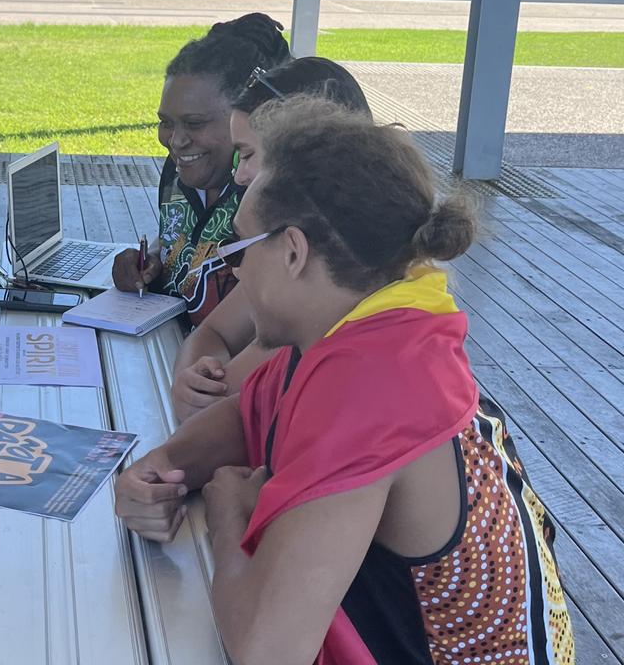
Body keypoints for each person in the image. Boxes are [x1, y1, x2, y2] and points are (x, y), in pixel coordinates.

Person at [114, 97, 574, 663]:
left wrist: (230, 516)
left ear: (292, 251)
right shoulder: (370, 331)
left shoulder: (374, 384)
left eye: (239, 246)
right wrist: (161, 468)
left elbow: (267, 650)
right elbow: (249, 413)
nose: (233, 268)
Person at [170, 56, 372, 422]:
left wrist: (205, 390)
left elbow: (235, 397)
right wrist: (201, 372)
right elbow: (214, 332)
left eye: (247, 155)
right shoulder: (297, 248)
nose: (239, 175)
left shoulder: (337, 278)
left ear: (306, 156)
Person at [110, 13, 291, 326]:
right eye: (166, 122)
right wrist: (151, 261)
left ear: (245, 119)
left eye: (195, 123)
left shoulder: (268, 198)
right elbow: (185, 240)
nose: (176, 141)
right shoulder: (179, 174)